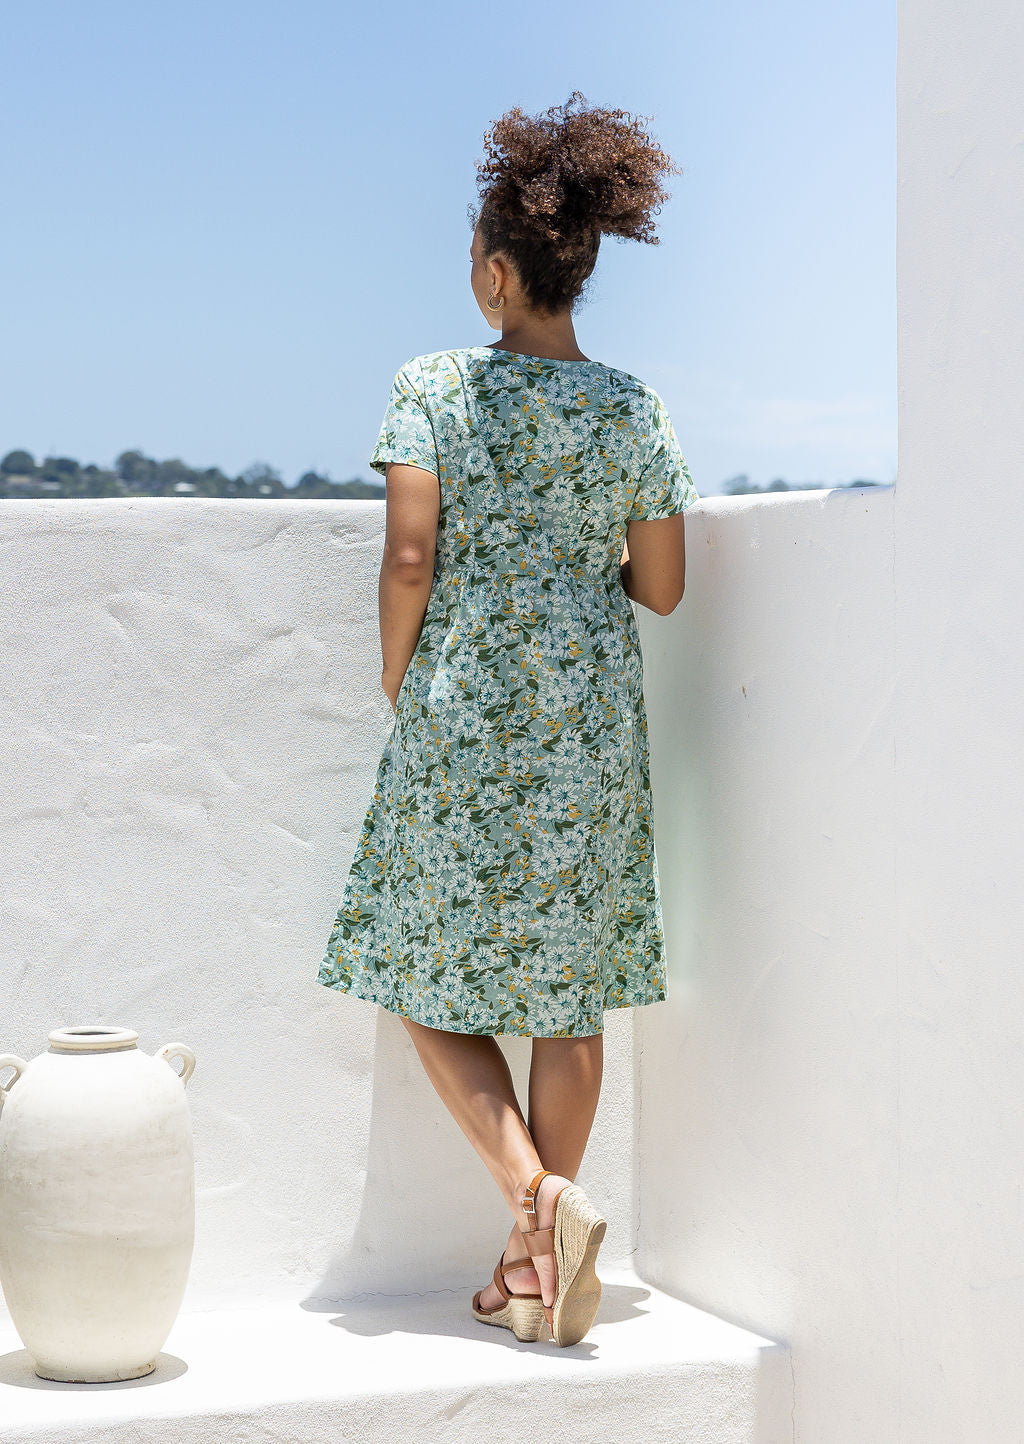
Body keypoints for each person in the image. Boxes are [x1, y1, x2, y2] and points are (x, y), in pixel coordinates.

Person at [317, 92, 699, 1347]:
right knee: (569, 996)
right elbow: (660, 586)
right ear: (579, 269)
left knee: (417, 969)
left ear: (493, 272)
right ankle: (534, 1268)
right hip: (589, 726)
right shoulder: (632, 408)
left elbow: (410, 554)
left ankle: (535, 1204)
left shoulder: (431, 385)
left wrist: (393, 674)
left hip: (461, 713)